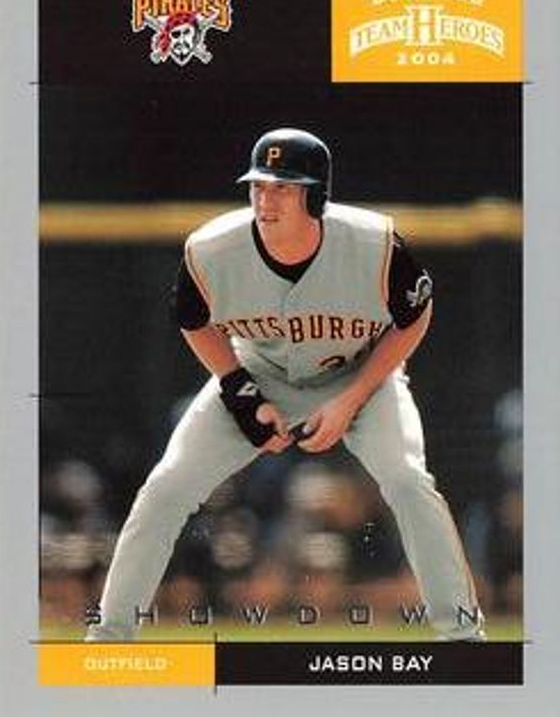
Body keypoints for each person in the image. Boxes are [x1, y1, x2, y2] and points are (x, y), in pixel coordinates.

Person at [86, 127, 484, 641]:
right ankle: (109, 640)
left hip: (360, 373)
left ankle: (463, 637)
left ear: (315, 196)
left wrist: (353, 399)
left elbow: (414, 316)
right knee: (167, 486)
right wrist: (239, 391)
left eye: (282, 188)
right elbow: (192, 320)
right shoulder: (211, 249)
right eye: (258, 186)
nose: (265, 200)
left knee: (407, 480)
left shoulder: (374, 243)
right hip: (260, 372)